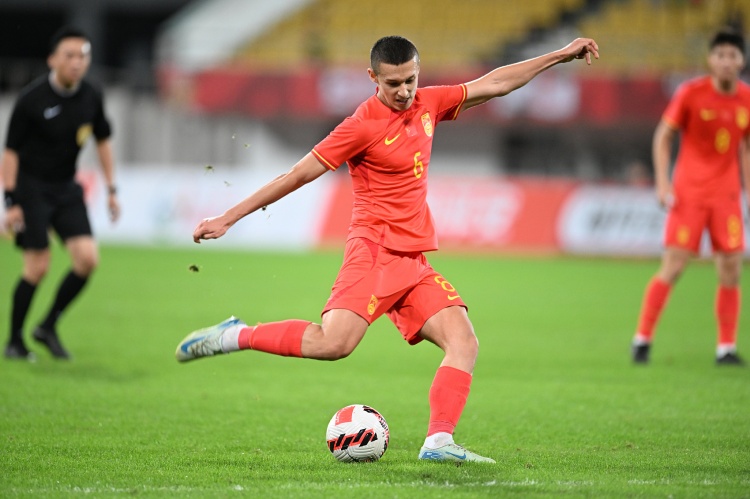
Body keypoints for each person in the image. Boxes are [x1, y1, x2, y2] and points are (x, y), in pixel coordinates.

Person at [176, 35, 599, 462]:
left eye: (410, 80)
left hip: (413, 260)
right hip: (374, 254)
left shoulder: (429, 103)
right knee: (333, 344)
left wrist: (560, 54)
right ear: (372, 77)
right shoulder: (361, 125)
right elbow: (297, 175)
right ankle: (235, 335)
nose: (404, 91)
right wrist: (228, 217)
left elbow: (496, 83)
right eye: (393, 83)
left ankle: (438, 442)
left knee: (464, 341)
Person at [632, 28, 749, 366]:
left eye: (732, 55)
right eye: (720, 55)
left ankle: (725, 348)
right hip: (690, 193)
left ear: (741, 61)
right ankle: (642, 339)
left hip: (727, 196)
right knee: (674, 266)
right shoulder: (691, 94)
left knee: (731, 268)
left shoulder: (746, 98)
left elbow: (746, 147)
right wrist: (662, 183)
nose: (726, 61)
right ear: (710, 60)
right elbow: (663, 136)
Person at [2, 27, 120, 361]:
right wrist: (11, 200)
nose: (76, 62)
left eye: (82, 56)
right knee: (37, 266)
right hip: (31, 188)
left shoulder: (92, 96)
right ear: (52, 59)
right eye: (69, 55)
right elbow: (10, 152)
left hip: (66, 188)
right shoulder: (31, 99)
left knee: (87, 259)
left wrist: (112, 189)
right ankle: (14, 341)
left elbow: (103, 140)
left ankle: (48, 326)